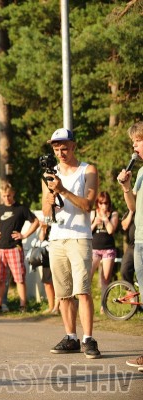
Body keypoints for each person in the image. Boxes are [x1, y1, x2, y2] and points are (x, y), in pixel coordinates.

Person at [42, 127, 100, 359]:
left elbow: (88, 205)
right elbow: (46, 211)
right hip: (57, 237)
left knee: (82, 291)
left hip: (80, 237)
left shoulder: (88, 170)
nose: (61, 153)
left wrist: (62, 190)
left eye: (64, 148)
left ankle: (88, 339)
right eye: (56, 149)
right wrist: (50, 199)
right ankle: (71, 337)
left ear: (74, 146)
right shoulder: (50, 173)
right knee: (63, 293)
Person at [0, 184, 39, 313]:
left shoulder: (21, 208)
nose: (6, 198)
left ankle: (22, 306)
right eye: (4, 196)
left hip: (14, 248)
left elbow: (36, 222)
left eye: (9, 195)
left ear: (13, 193)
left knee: (19, 278)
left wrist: (24, 235)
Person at [117, 121, 143, 370]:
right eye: (133, 141)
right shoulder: (141, 172)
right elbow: (133, 206)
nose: (134, 146)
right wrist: (126, 187)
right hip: (140, 241)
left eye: (138, 140)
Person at [90, 191, 119, 314]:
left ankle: (103, 306)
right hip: (94, 249)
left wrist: (105, 219)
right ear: (97, 203)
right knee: (88, 276)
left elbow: (111, 230)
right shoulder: (93, 213)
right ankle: (87, 305)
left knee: (105, 279)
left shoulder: (114, 214)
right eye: (101, 203)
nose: (103, 206)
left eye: (106, 203)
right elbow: (87, 231)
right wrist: (94, 223)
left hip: (108, 249)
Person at [120, 210, 135, 285]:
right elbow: (124, 226)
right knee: (125, 270)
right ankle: (130, 291)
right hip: (131, 246)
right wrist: (131, 212)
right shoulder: (130, 211)